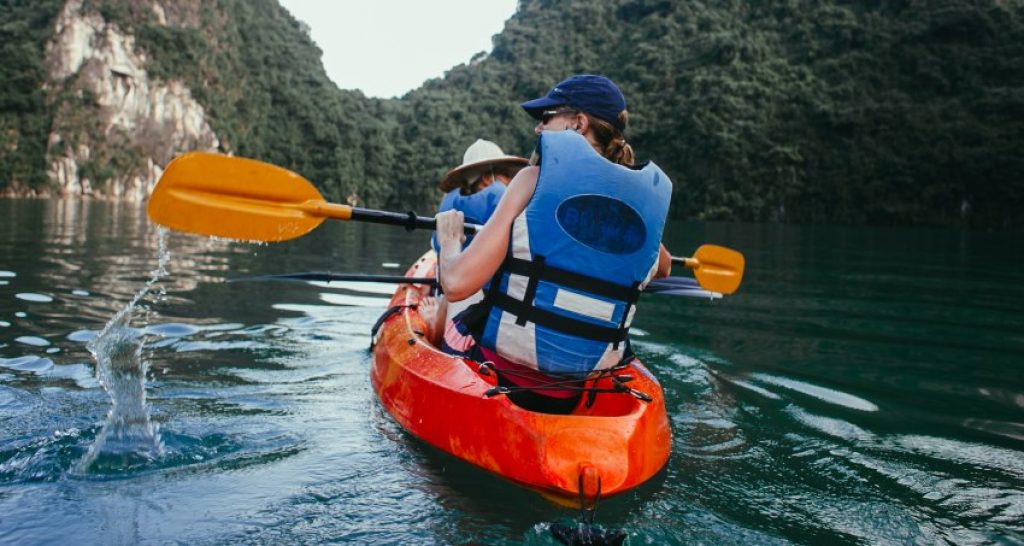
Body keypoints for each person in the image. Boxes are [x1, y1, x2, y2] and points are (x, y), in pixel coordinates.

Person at [433, 74, 673, 414]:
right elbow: (663, 267)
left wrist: (450, 242)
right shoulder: (644, 207)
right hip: (572, 392)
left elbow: (456, 284)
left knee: (462, 298)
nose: (537, 129)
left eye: (547, 118)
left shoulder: (531, 180)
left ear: (578, 123)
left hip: (498, 375)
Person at [420, 139, 528, 344]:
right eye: (506, 175)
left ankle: (437, 321)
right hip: (480, 290)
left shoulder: (452, 203)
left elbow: (436, 247)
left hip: (457, 289)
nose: (509, 181)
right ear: (488, 178)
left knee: (453, 288)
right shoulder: (503, 199)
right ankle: (438, 324)